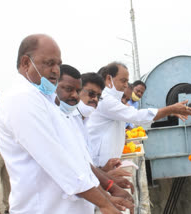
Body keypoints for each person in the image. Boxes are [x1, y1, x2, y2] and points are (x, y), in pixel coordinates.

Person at [0, 34, 121, 214]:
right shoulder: (20, 99)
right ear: (25, 63)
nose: (56, 70)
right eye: (49, 63)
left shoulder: (45, 99)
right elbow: (59, 162)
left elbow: (77, 160)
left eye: (58, 64)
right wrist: (105, 204)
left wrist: (107, 197)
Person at [86, 62, 191, 167]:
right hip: (100, 162)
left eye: (127, 81)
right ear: (108, 78)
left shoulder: (112, 99)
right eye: (123, 81)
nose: (125, 85)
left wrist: (170, 111)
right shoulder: (106, 99)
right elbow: (137, 116)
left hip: (108, 161)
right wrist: (170, 109)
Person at [56, 65, 134, 212]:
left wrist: (107, 177)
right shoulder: (62, 122)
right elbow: (74, 173)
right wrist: (108, 194)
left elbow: (85, 166)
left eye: (98, 96)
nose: (95, 99)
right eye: (91, 94)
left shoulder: (80, 122)